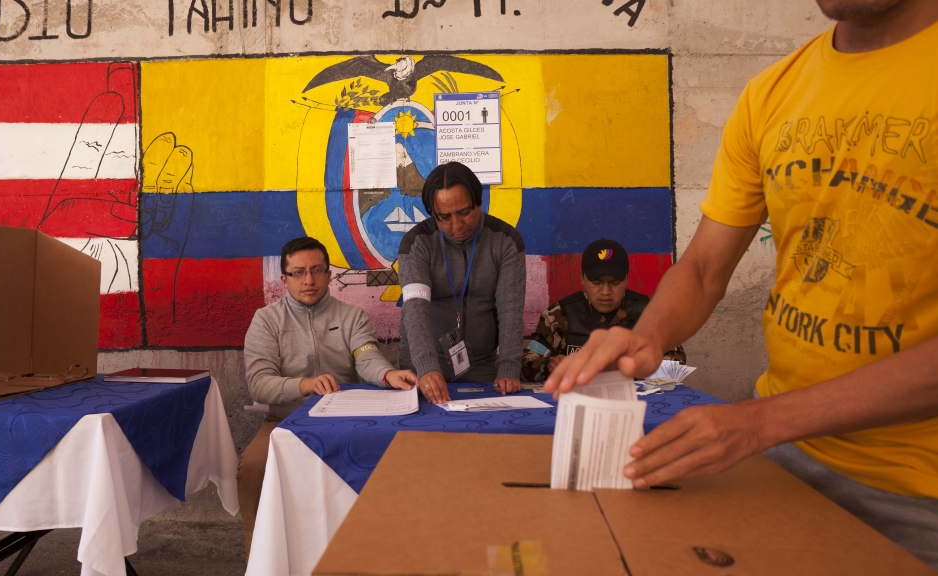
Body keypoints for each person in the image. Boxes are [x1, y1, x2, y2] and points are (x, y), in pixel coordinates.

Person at [545, 0, 938, 567]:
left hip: (920, 496)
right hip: (780, 460)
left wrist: (759, 422)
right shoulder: (772, 93)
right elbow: (704, 266)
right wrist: (648, 335)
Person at [237, 236, 417, 556]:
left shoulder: (351, 316)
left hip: (347, 419)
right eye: (298, 272)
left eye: (318, 270)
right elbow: (260, 384)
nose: (309, 280)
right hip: (286, 419)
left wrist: (387, 374)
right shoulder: (266, 321)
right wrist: (305, 385)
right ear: (284, 279)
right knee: (253, 466)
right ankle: (261, 558)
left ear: (329, 274)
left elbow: (367, 356)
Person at [398, 161, 527, 404]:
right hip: (423, 362)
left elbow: (511, 311)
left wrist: (509, 368)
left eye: (465, 212)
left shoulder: (506, 241)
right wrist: (426, 366)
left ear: (479, 201)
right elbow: (415, 310)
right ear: (432, 213)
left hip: (482, 362)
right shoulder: (416, 245)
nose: (457, 226)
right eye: (444, 217)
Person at [521, 239, 685, 382]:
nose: (606, 291)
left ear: (627, 279)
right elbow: (528, 362)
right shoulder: (558, 315)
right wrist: (550, 365)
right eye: (597, 282)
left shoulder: (648, 313)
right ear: (582, 278)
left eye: (614, 283)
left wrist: (631, 366)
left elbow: (677, 362)